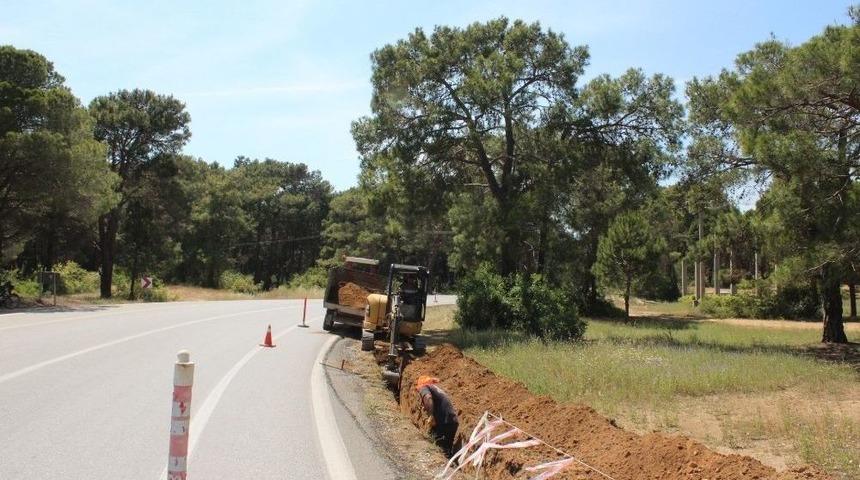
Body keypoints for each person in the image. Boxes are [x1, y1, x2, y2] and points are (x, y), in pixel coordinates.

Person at [415, 375, 459, 456]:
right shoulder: (435, 389)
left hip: (444, 422)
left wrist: (431, 416)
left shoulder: (424, 387)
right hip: (452, 422)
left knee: (434, 445)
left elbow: (428, 398)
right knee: (445, 450)